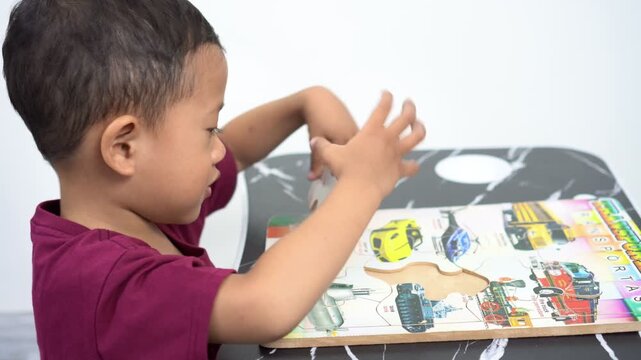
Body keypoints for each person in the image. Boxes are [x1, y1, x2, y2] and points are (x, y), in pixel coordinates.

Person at [2, 0, 425, 359]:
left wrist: (306, 102)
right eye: (209, 130)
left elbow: (237, 149)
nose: (219, 148)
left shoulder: (136, 204)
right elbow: (267, 302)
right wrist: (363, 184)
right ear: (125, 148)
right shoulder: (107, 285)